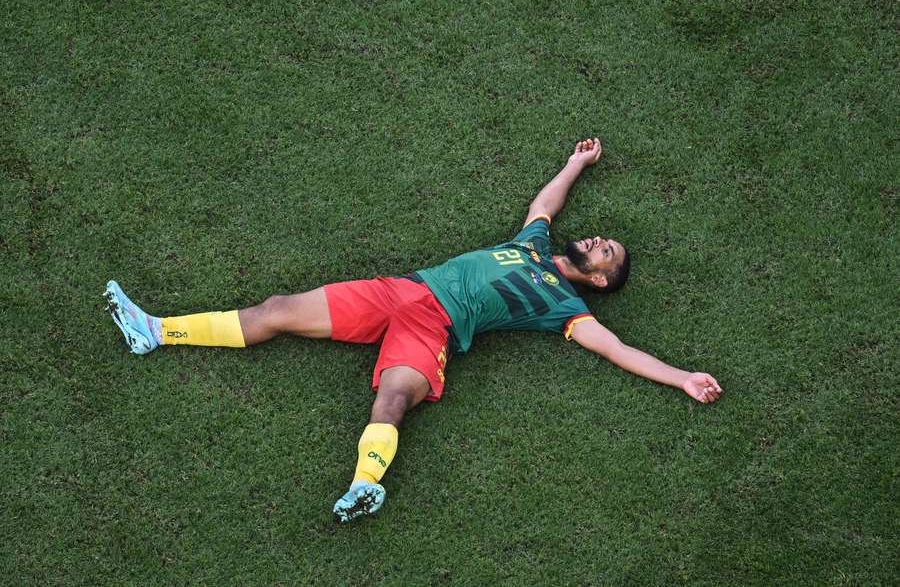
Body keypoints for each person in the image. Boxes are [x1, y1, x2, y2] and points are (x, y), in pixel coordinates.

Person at [104, 137, 722, 523]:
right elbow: (546, 205)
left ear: (600, 282)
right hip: (401, 291)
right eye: (602, 239)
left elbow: (616, 349)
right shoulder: (532, 244)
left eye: (605, 253)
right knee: (277, 308)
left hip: (436, 329)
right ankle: (155, 331)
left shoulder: (563, 306)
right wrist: (574, 163)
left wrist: (681, 378)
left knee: (393, 397)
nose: (595, 241)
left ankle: (363, 487)